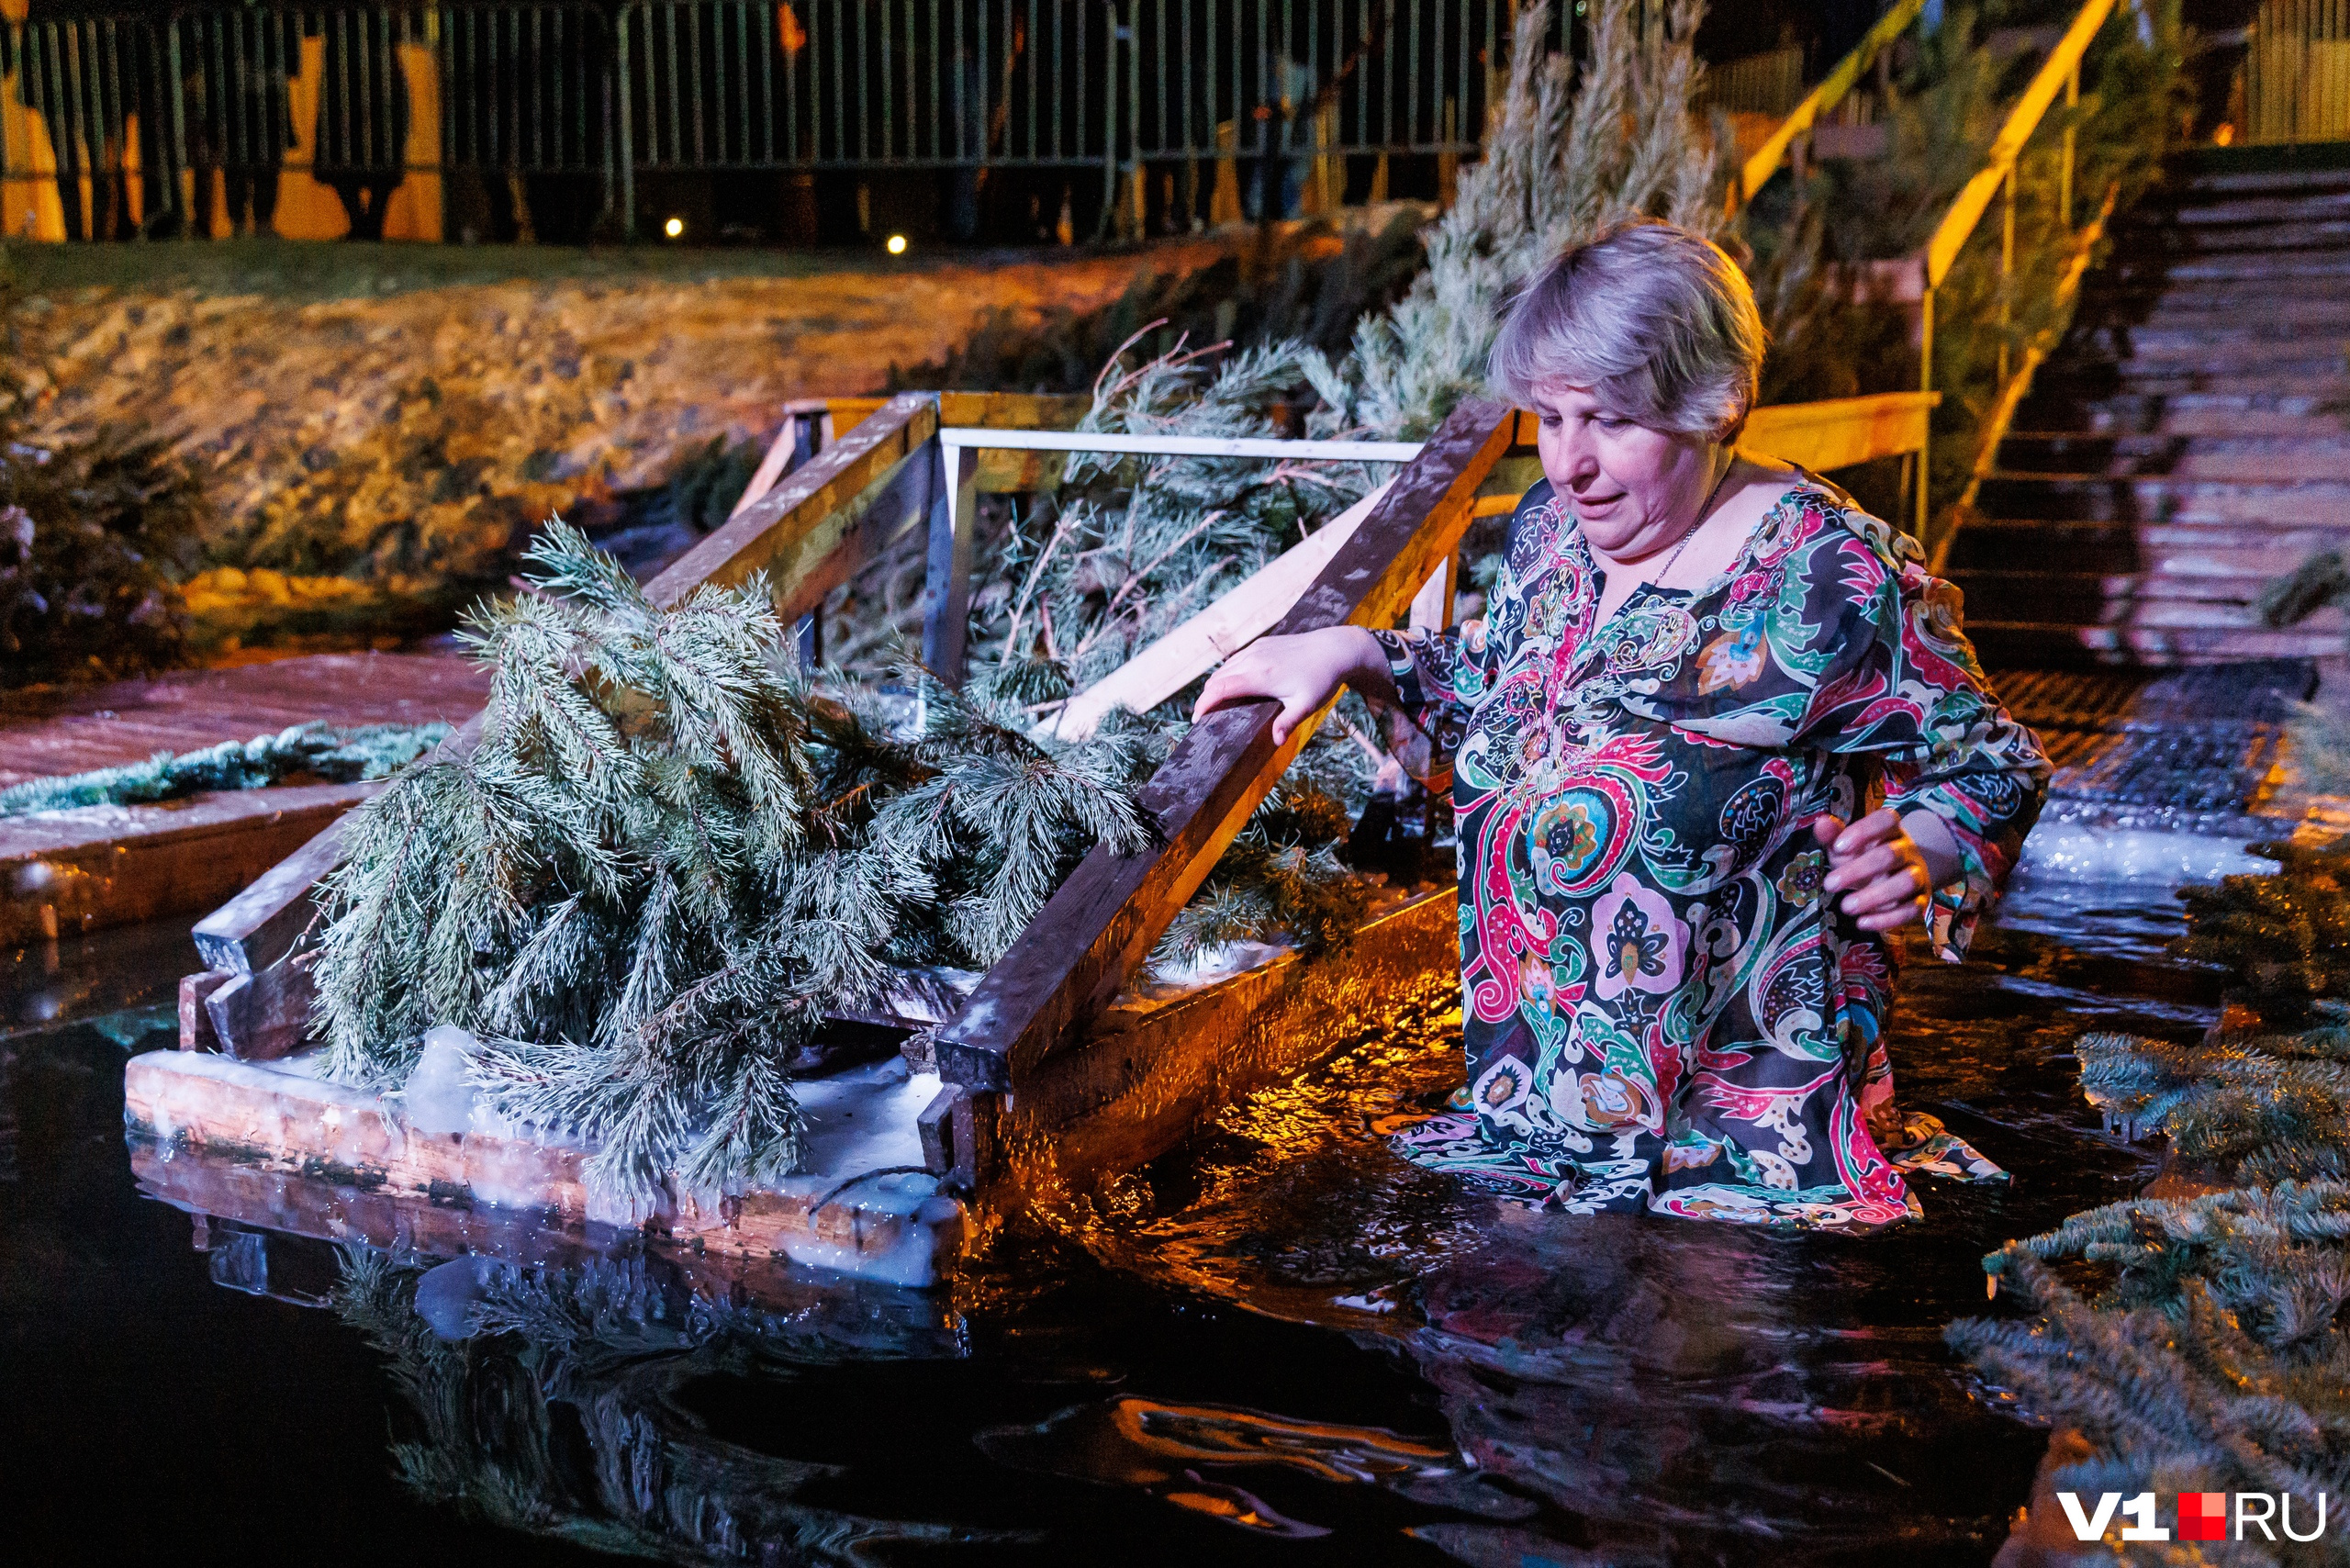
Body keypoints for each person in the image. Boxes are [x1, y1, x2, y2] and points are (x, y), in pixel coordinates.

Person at [1194, 220, 2050, 1230]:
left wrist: (1927, 840)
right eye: (1549, 420)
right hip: (1531, 1127)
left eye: (1606, 421)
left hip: (1741, 1163)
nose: (1569, 464)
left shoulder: (1824, 574)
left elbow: (1997, 763)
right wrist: (1355, 651)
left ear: (1711, 404)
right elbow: (1510, 686)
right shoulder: (1551, 538)